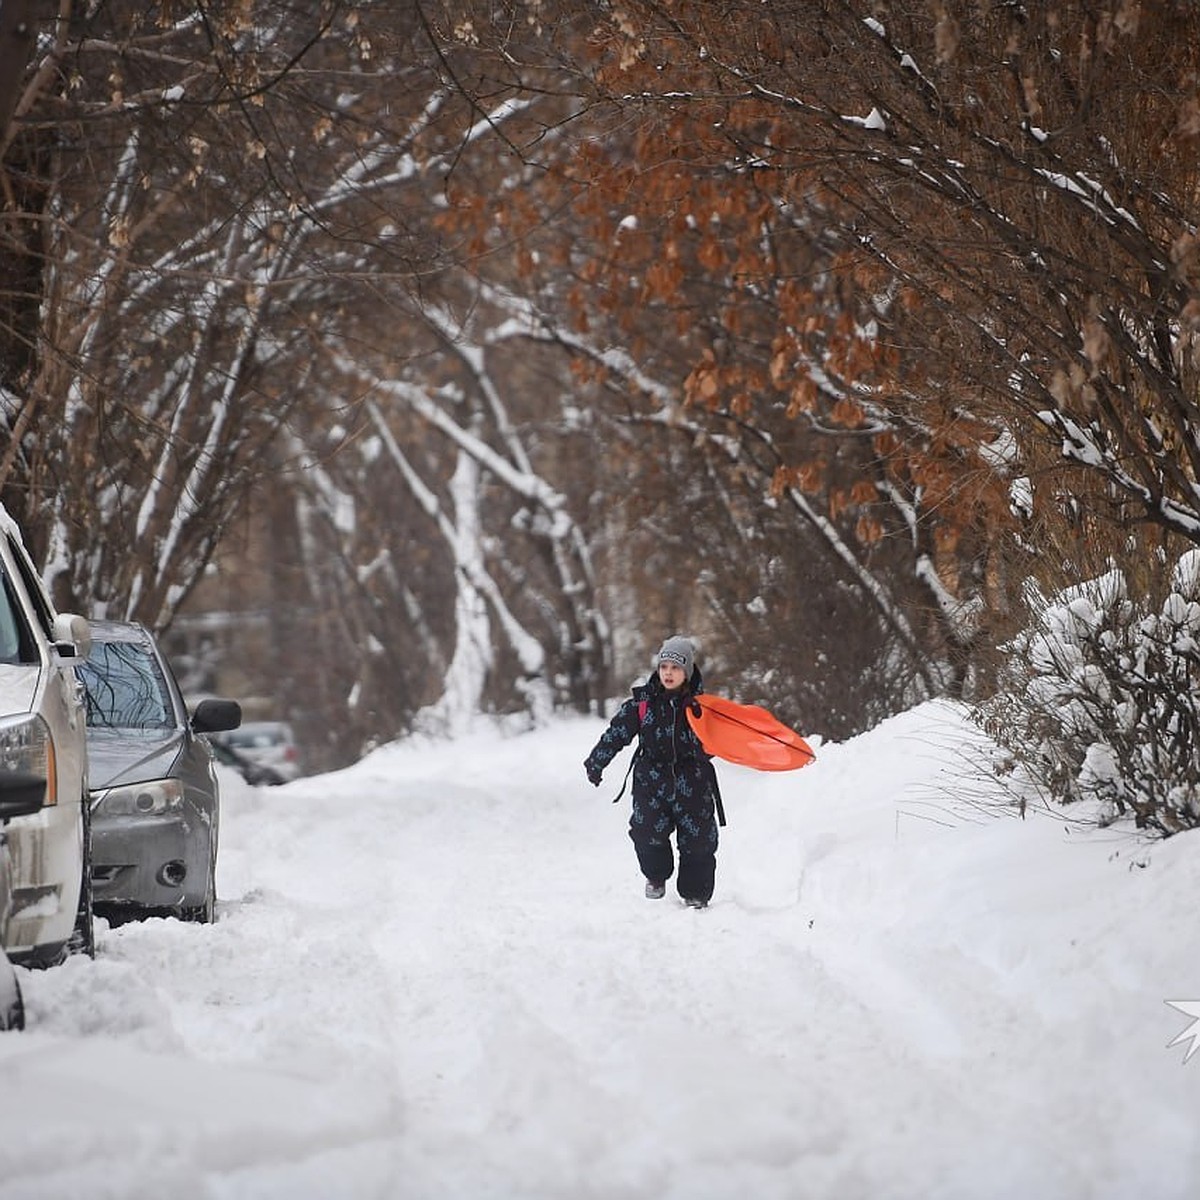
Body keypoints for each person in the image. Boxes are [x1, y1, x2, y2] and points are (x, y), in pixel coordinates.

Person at [584, 635, 719, 908]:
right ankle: (656, 876)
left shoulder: (703, 707)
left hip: (692, 783)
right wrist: (597, 761)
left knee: (699, 841)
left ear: (688, 671)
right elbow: (617, 733)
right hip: (651, 782)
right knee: (646, 831)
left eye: (676, 668)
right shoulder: (643, 704)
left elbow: (724, 741)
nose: (668, 673)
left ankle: (696, 891)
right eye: (664, 667)